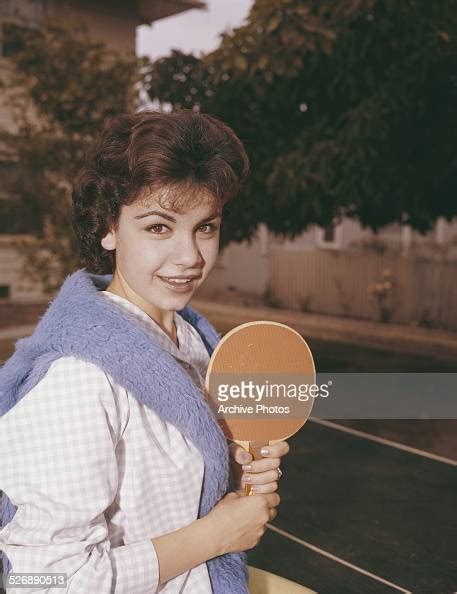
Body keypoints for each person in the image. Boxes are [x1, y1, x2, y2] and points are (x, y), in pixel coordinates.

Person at [0, 110, 289, 593]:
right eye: (159, 227)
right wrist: (215, 536)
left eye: (205, 227)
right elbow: (39, 581)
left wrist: (233, 465)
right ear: (107, 228)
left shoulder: (194, 342)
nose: (190, 256)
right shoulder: (79, 378)